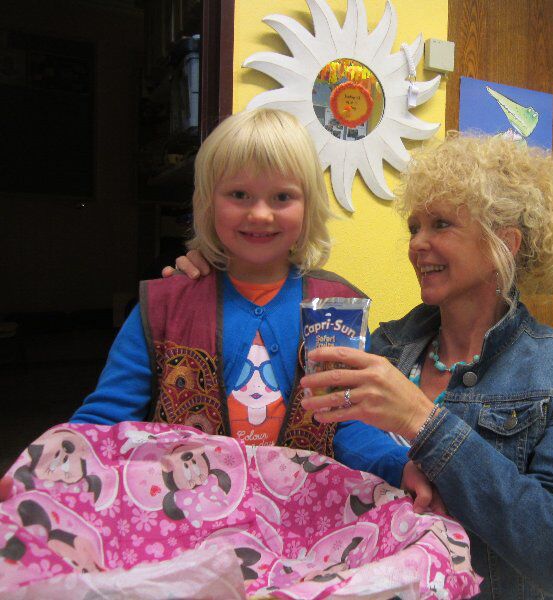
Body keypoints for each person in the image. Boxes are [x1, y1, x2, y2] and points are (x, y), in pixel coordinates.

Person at [172, 132, 553, 599]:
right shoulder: (382, 347)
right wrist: (219, 273)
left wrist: (424, 422)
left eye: (440, 224)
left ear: (503, 243)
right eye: (414, 227)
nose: (417, 243)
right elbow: (308, 449)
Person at [70, 108, 427, 496]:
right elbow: (106, 418)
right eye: (239, 195)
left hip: (299, 515)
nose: (259, 214)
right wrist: (58, 465)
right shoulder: (163, 305)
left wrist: (399, 467)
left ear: (309, 206)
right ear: (208, 202)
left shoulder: (338, 307)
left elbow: (350, 422)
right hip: (183, 512)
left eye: (282, 197)